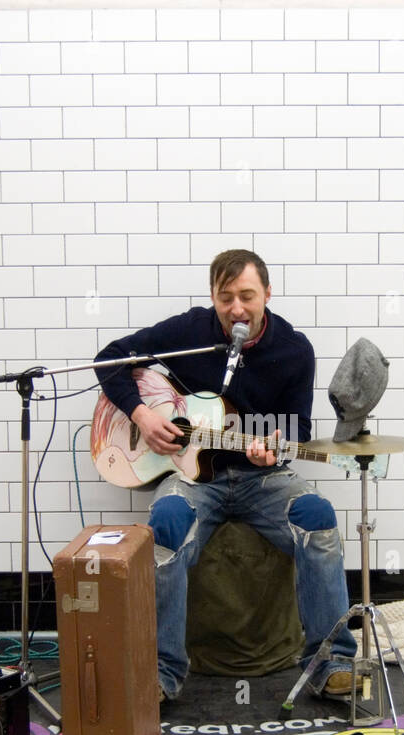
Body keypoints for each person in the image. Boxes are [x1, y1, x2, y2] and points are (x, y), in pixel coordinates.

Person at [94, 249, 356, 703]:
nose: (237, 309)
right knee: (168, 522)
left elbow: (300, 431)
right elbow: (110, 359)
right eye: (226, 297)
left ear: (268, 294)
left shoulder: (295, 350)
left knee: (318, 515)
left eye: (247, 296)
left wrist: (269, 452)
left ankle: (330, 662)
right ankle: (162, 672)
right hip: (196, 480)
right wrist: (141, 415)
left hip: (262, 481)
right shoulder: (191, 332)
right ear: (212, 297)